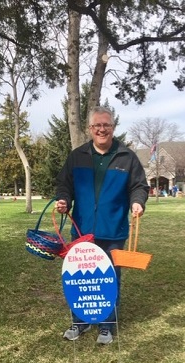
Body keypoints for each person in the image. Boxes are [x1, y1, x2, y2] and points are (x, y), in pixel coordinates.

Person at [56, 106, 149, 344]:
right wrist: (64, 199)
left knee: (109, 278)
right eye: (97, 125)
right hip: (82, 229)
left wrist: (137, 202)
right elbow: (64, 185)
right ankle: (80, 322)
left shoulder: (127, 157)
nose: (101, 129)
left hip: (113, 230)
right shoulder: (77, 157)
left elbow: (139, 186)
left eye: (106, 125)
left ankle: (107, 325)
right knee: (79, 277)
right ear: (90, 129)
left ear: (113, 127)